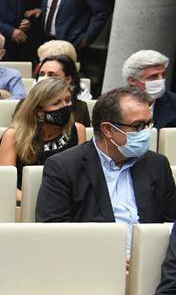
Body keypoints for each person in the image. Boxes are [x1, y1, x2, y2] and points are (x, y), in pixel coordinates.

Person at [36, 87, 176, 233]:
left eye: (148, 124)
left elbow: (172, 225)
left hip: (151, 254)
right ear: (108, 130)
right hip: (93, 254)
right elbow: (53, 233)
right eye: (138, 126)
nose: (146, 133)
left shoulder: (157, 164)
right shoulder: (64, 167)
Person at [0, 78, 86, 189]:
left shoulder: (78, 130)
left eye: (67, 100)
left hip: (66, 201)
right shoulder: (13, 136)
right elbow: (6, 186)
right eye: (56, 103)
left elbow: (81, 178)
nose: (65, 106)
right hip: (24, 202)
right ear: (38, 111)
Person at [123, 50, 176, 129]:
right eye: (153, 77)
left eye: (163, 75)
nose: (160, 80)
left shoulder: (174, 102)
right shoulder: (113, 104)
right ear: (132, 80)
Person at [35, 52, 90, 124]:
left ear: (68, 79)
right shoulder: (25, 104)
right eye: (42, 74)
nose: (44, 79)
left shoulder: (80, 107)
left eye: (51, 75)